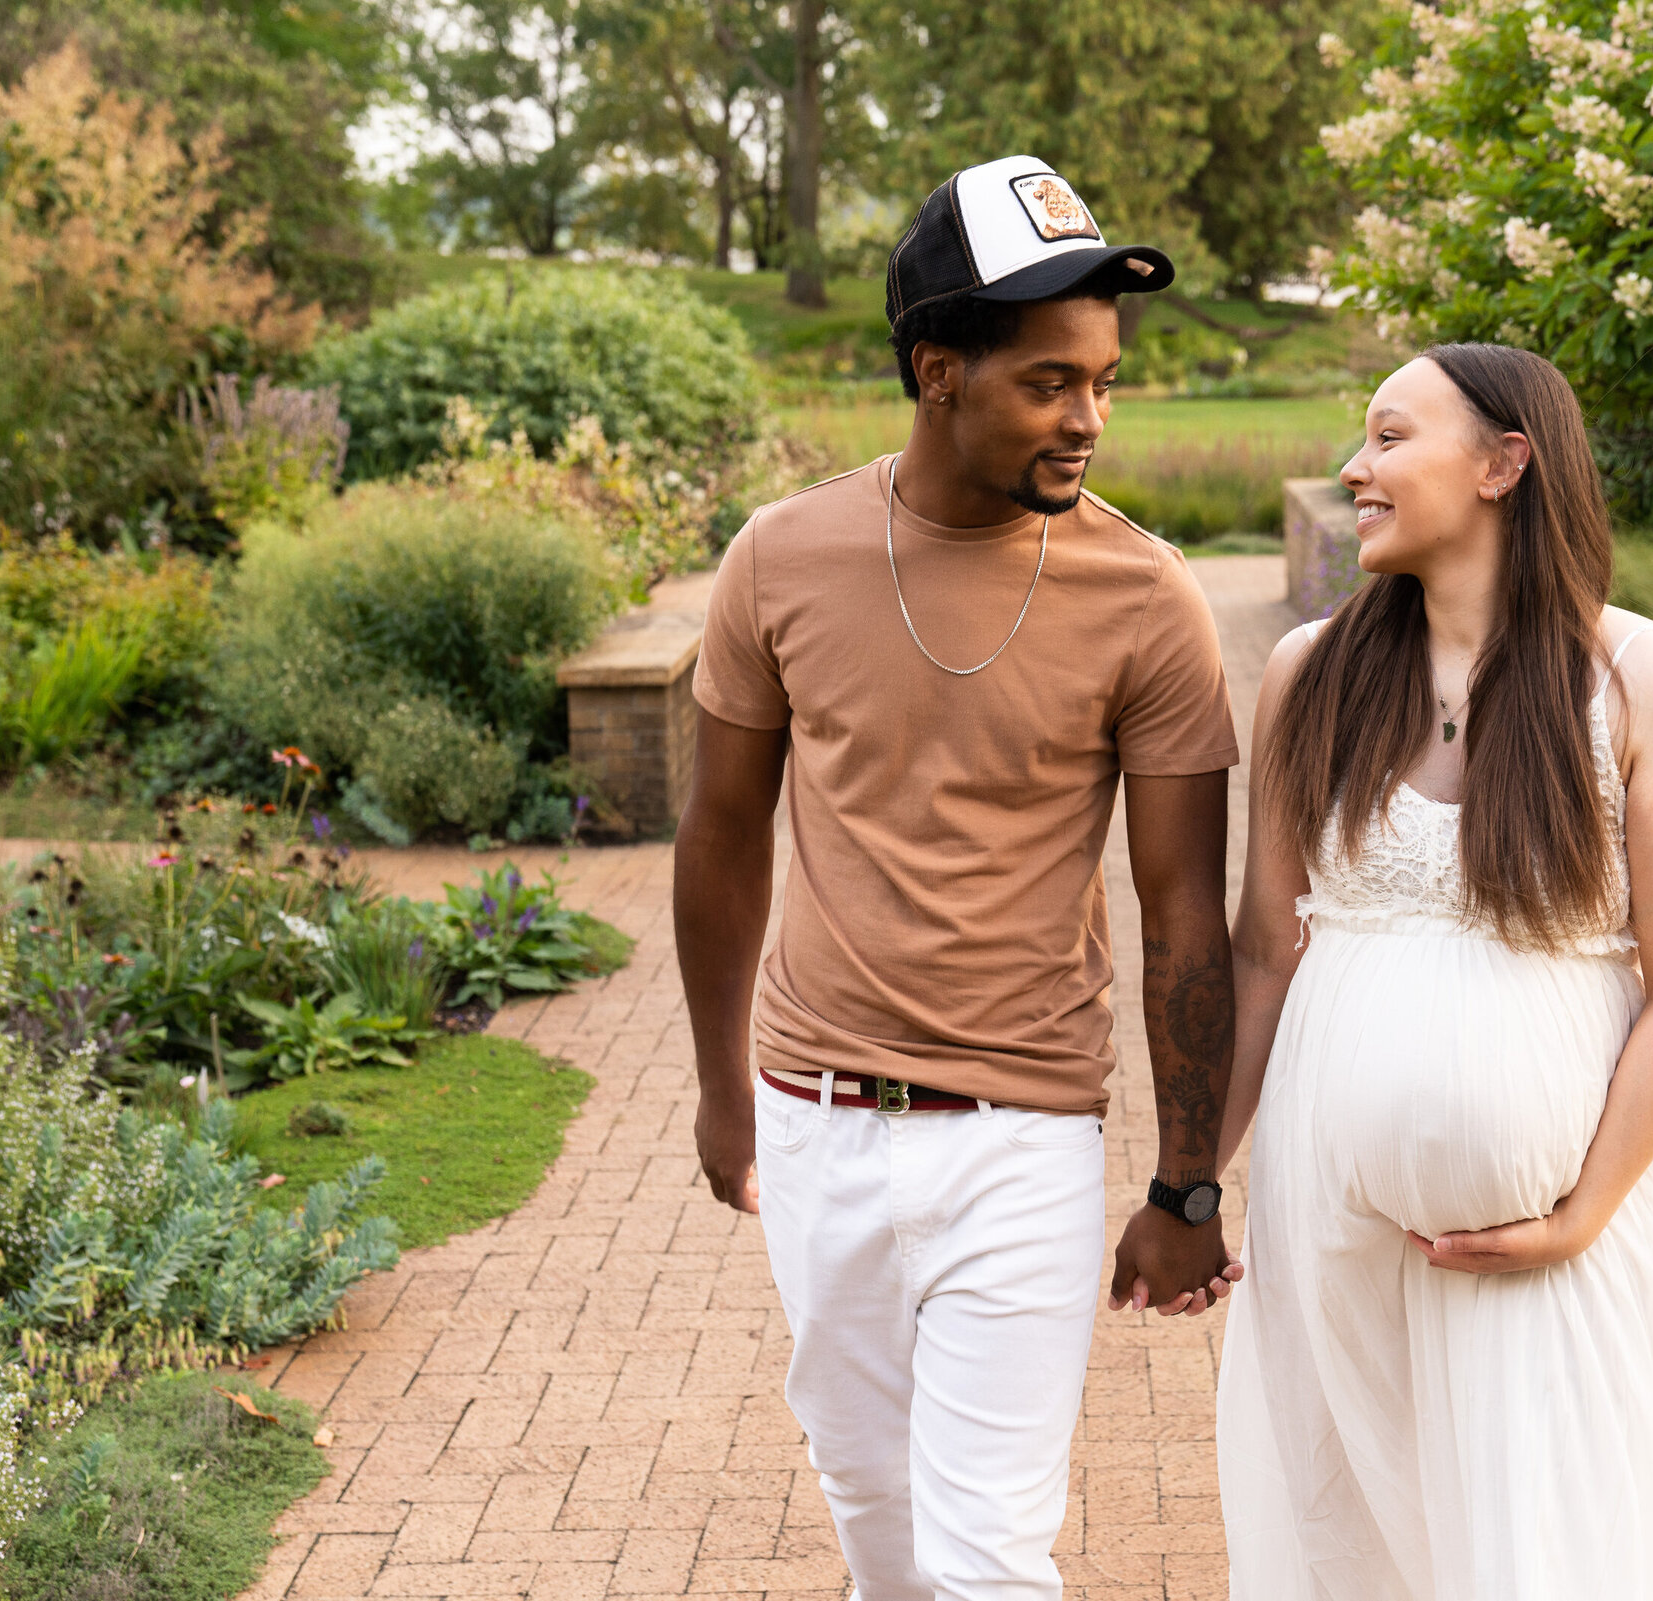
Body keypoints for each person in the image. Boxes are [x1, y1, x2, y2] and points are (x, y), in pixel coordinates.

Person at [673, 155, 1243, 1601]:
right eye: (1052, 382)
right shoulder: (782, 558)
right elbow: (722, 834)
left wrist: (1185, 1186)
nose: (1091, 419)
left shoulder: (1148, 596)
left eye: (1106, 382)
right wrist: (721, 1081)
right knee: (873, 1509)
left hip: (1023, 1135)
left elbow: (1184, 909)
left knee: (987, 1551)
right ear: (938, 368)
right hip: (815, 1122)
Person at [1213, 343, 1653, 1598]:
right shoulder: (1309, 676)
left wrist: (1580, 1213)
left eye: (1391, 437)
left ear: (1506, 462)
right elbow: (1260, 954)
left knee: (1555, 1548)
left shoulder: (1645, 681)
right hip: (1330, 1243)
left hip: (1556, 1248)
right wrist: (1193, 1182)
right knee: (1353, 1541)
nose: (1356, 468)